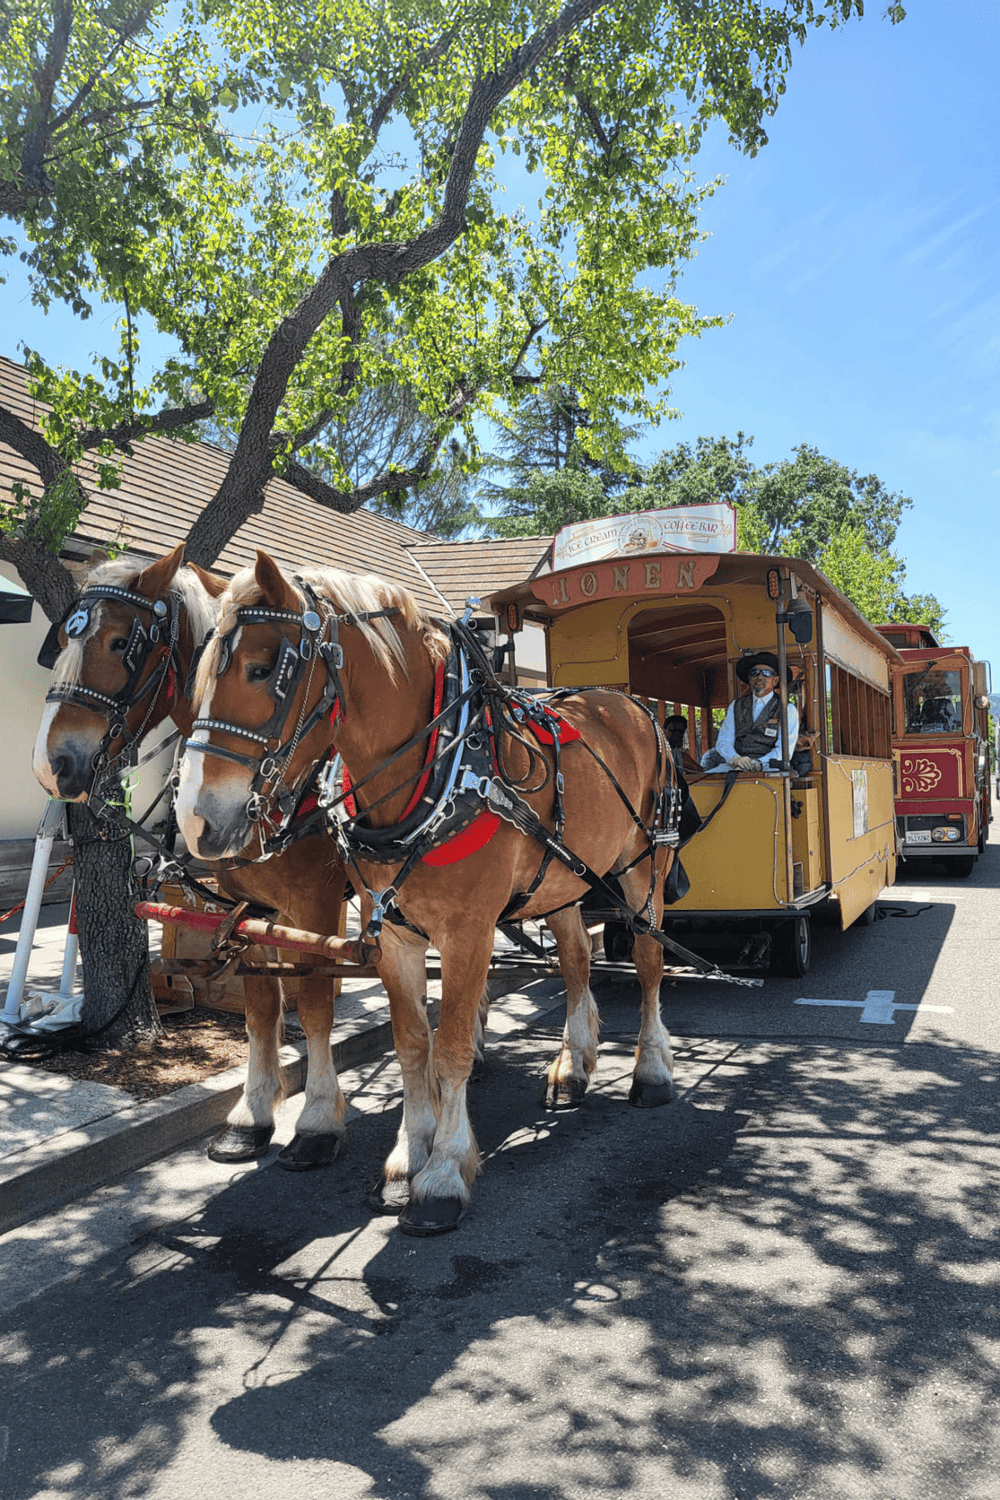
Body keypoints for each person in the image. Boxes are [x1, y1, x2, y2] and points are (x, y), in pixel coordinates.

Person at [700, 652, 798, 774]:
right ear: (749, 679)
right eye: (754, 673)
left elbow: (784, 750)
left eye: (766, 673)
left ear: (775, 680)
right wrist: (735, 758)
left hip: (768, 768)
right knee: (702, 783)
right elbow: (724, 740)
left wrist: (758, 764)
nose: (759, 677)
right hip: (735, 766)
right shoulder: (735, 706)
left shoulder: (787, 709)